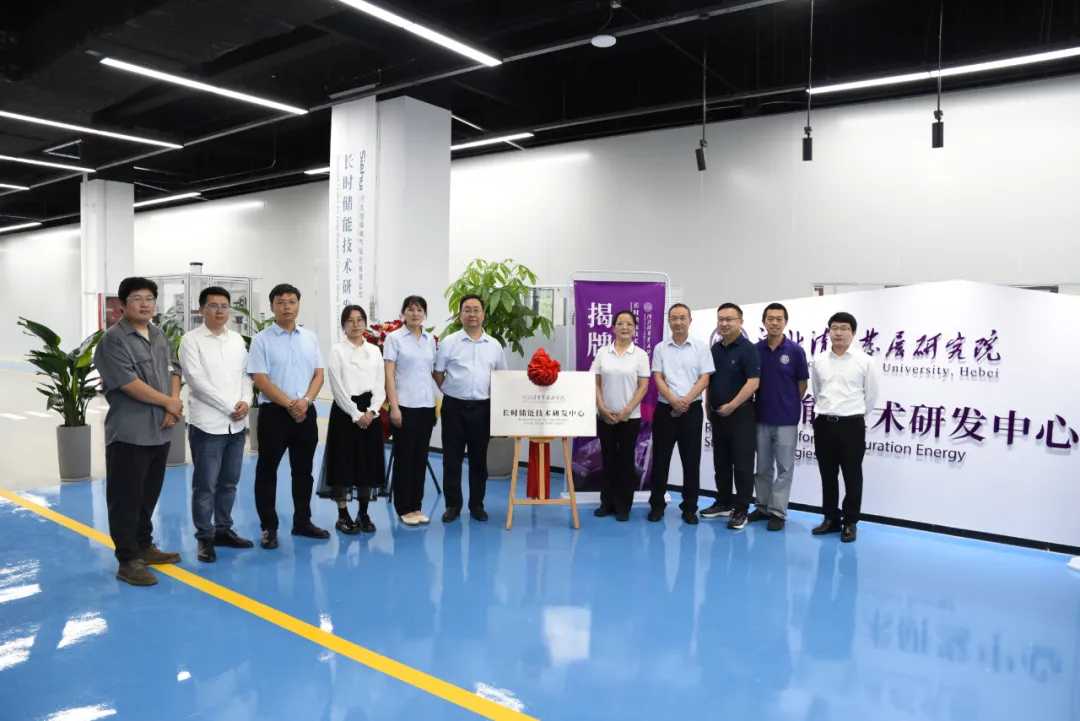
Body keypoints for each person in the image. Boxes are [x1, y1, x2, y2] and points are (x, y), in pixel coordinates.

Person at [93, 276, 183, 586]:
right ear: (122, 305)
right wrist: (169, 403)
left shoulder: (158, 334)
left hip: (160, 430)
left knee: (148, 495)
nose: (145, 304)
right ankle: (128, 560)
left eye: (149, 299)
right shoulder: (113, 341)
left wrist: (173, 403)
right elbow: (128, 384)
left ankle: (144, 545)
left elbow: (174, 369)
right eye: (137, 299)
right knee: (125, 499)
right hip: (130, 433)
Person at [247, 283, 328, 549]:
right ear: (272, 306)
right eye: (281, 302)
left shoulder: (310, 338)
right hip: (274, 414)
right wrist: (290, 404)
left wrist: (306, 401)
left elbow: (319, 374)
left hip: (306, 412)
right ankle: (269, 528)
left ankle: (302, 522)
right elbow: (260, 379)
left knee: (303, 471)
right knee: (267, 471)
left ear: (298, 305)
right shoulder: (262, 340)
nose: (286, 307)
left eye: (292, 302)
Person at [179, 286, 255, 562]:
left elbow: (246, 376)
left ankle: (223, 529)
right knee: (205, 485)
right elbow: (197, 381)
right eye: (213, 305)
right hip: (208, 425)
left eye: (224, 306)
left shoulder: (236, 340)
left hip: (236, 425)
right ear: (202, 310)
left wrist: (246, 401)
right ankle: (205, 537)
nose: (220, 310)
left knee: (229, 482)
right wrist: (228, 407)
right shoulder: (191, 341)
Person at [434, 294, 508, 523]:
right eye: (467, 310)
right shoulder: (449, 342)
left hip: (482, 409)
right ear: (460, 314)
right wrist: (451, 390)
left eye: (476, 310)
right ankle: (452, 506)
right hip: (454, 408)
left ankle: (477, 505)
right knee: (451, 459)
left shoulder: (494, 345)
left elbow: (501, 378)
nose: (472, 314)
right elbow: (438, 373)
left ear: (483, 314)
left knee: (478, 460)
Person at [809, 311, 879, 543]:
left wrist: (854, 414)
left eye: (844, 328)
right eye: (834, 328)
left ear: (853, 333)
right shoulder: (819, 360)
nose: (839, 333)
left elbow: (871, 396)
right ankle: (830, 518)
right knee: (827, 475)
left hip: (852, 425)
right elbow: (817, 391)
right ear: (829, 332)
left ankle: (850, 522)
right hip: (824, 424)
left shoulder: (865, 361)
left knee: (852, 475)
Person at [318, 305, 385, 534]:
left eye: (360, 320)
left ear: (365, 323)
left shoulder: (374, 351)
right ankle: (343, 515)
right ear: (343, 325)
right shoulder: (337, 350)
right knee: (343, 463)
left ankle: (363, 513)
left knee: (367, 463)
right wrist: (356, 414)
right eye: (350, 320)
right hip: (345, 412)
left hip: (370, 413)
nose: (356, 325)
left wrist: (372, 412)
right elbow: (337, 387)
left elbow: (380, 385)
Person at [648, 303, 714, 524]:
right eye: (674, 318)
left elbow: (705, 378)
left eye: (682, 318)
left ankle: (689, 508)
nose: (678, 322)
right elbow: (658, 377)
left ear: (690, 320)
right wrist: (673, 400)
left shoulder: (701, 347)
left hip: (691, 410)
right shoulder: (660, 348)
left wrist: (685, 400)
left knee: (691, 462)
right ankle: (657, 505)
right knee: (660, 461)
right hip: (665, 410)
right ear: (669, 321)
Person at [700, 303, 760, 530]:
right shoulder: (715, 349)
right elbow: (709, 380)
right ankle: (724, 502)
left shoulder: (748, 349)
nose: (724, 324)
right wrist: (708, 404)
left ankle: (741, 509)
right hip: (718, 415)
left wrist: (732, 406)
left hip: (741, 415)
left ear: (740, 322)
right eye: (721, 319)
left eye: (729, 319)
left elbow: (753, 382)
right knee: (721, 462)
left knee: (742, 464)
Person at [750, 302, 808, 531]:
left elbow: (802, 384)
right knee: (762, 467)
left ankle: (777, 511)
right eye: (770, 318)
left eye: (779, 319)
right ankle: (762, 506)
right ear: (764, 322)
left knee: (784, 468)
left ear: (785, 322)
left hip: (786, 420)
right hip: (761, 418)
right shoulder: (755, 350)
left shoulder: (795, 351)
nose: (774, 322)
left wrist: (788, 403)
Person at [590, 310, 651, 522]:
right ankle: (606, 503)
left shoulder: (640, 355)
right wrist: (601, 407)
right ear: (613, 327)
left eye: (629, 324)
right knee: (607, 459)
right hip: (605, 416)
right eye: (620, 323)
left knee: (625, 461)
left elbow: (643, 387)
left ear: (634, 329)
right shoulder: (602, 353)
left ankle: (623, 506)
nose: (624, 327)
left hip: (629, 418)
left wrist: (627, 410)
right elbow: (595, 382)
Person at [384, 295, 438, 526]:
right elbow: (389, 375)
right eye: (410, 309)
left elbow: (431, 372)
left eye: (419, 310)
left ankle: (416, 505)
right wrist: (394, 407)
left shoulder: (429, 339)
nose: (415, 313)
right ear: (403, 313)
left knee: (420, 458)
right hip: (404, 405)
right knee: (404, 458)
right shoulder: (394, 338)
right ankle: (403, 508)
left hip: (426, 406)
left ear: (424, 314)